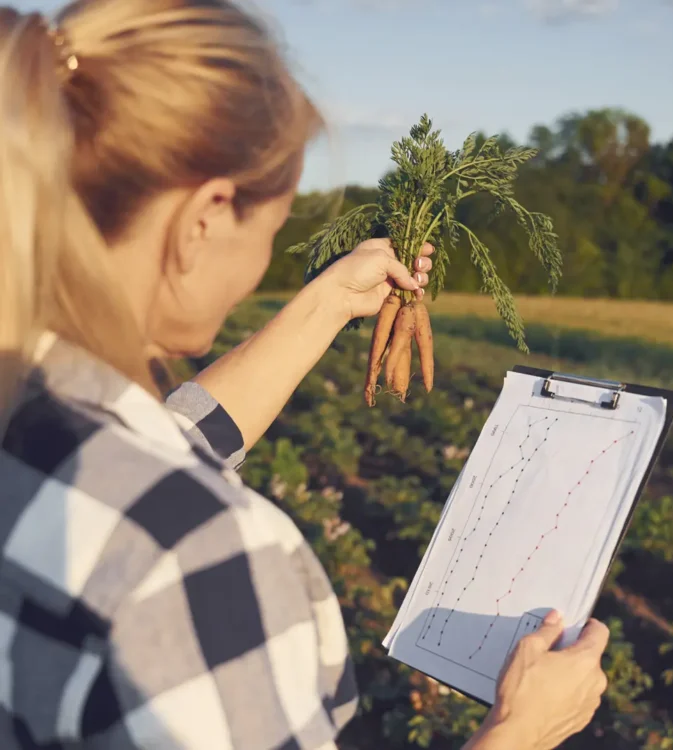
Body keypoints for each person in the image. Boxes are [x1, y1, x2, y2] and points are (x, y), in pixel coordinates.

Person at [0, 1, 611, 749]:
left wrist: (326, 305)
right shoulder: (198, 558)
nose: (262, 261)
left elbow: (160, 446)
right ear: (205, 217)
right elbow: (155, 496)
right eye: (272, 229)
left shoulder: (32, 418)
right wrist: (520, 731)